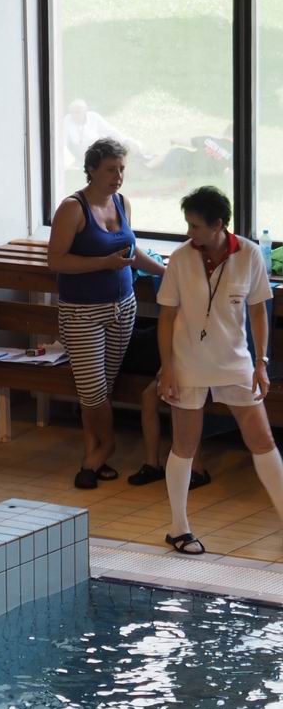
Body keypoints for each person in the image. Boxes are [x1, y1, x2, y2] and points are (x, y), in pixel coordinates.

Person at [156, 186, 283, 555]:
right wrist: (167, 368)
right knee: (185, 446)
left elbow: (258, 310)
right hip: (188, 363)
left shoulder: (249, 254)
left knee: (263, 441)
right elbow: (166, 317)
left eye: (195, 226)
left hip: (235, 361)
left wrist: (261, 362)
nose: (189, 232)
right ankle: (179, 529)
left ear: (219, 225)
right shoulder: (181, 258)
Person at [46, 137, 167, 489]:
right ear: (92, 169)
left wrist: (166, 272)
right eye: (111, 169)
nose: (119, 176)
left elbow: (131, 251)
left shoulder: (122, 202)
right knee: (93, 391)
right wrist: (103, 263)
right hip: (82, 312)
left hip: (122, 307)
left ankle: (92, 456)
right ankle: (108, 445)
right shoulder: (73, 208)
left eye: (122, 169)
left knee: (104, 386)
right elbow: (56, 261)